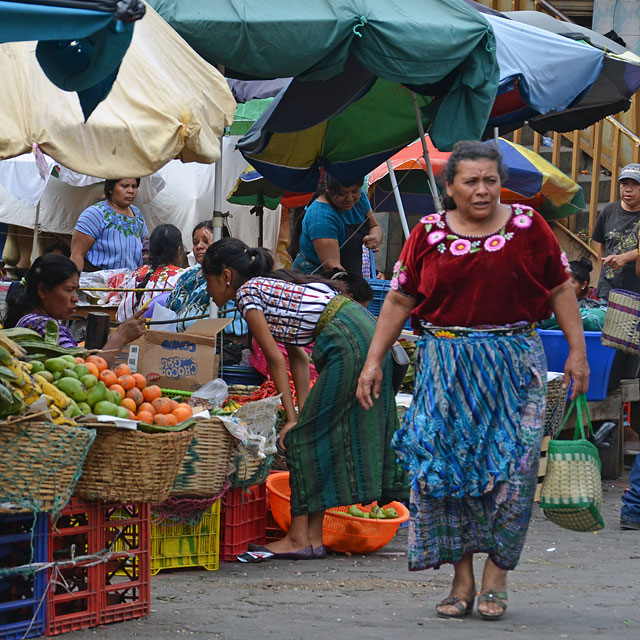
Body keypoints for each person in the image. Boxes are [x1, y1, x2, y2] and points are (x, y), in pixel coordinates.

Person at [356, 140, 589, 620]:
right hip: (445, 368)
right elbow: (400, 300)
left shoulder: (530, 227)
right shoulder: (427, 233)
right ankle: (461, 581)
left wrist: (578, 354)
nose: (482, 191)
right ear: (450, 187)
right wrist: (373, 360)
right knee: (447, 476)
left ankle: (496, 577)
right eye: (471, 181)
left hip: (514, 366)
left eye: (490, 181)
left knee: (515, 474)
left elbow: (561, 286)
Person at [202, 238, 406, 560]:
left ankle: (298, 538)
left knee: (300, 439)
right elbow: (296, 354)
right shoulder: (271, 286)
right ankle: (311, 538)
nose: (209, 289)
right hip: (359, 329)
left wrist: (295, 420)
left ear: (225, 276)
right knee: (313, 436)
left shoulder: (247, 294)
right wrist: (300, 412)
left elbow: (275, 359)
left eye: (208, 280)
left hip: (347, 341)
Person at [3, 254, 144, 365]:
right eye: (69, 290)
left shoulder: (33, 320)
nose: (75, 298)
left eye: (76, 291)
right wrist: (120, 337)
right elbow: (83, 375)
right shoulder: (41, 324)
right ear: (43, 291)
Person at [290, 175, 383, 275]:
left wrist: (375, 238)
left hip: (347, 273)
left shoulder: (361, 198)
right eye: (342, 193)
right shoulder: (321, 217)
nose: (350, 198)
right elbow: (333, 268)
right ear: (327, 188)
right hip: (318, 278)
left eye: (355, 191)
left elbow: (374, 226)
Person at [70, 178, 148, 272]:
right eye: (124, 186)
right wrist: (75, 282)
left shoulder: (137, 214)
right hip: (100, 284)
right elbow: (77, 254)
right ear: (110, 189)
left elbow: (146, 248)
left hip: (131, 284)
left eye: (134, 186)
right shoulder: (95, 214)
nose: (131, 191)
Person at [592, 163, 640, 301]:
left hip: (636, 292)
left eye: (635, 184)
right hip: (609, 290)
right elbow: (602, 246)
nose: (628, 190)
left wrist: (626, 257)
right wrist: (602, 277)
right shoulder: (609, 211)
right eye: (624, 184)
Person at [116, 224, 185, 321]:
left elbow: (121, 316)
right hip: (163, 334)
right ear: (179, 250)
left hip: (130, 333)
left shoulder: (137, 274)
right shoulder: (183, 277)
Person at [165, 221, 215, 332]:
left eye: (206, 242)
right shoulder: (187, 275)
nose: (199, 247)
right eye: (195, 242)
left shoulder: (222, 277)